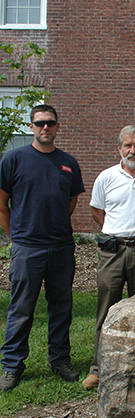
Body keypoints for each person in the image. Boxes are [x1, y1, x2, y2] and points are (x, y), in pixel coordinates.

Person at [0, 104, 85, 391]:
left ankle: (59, 359)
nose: (44, 128)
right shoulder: (14, 159)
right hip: (27, 248)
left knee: (61, 307)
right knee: (21, 308)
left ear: (57, 126)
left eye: (50, 123)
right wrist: (16, 238)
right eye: (39, 123)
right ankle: (12, 365)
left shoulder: (69, 163)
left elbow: (71, 202)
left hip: (61, 247)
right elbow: (2, 204)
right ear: (31, 126)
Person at [82, 125, 135, 390]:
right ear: (119, 149)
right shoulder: (106, 177)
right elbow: (97, 210)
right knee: (106, 309)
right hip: (112, 252)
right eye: (127, 145)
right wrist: (115, 232)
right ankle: (98, 368)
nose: (133, 150)